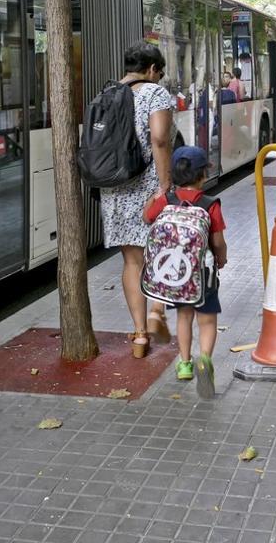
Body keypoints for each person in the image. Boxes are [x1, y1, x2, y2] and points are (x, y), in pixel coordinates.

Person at [99, 42, 175, 357]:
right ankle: (158, 310)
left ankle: (141, 335)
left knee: (132, 260)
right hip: (147, 186)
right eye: (160, 72)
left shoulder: (107, 93)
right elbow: (159, 138)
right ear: (153, 69)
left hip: (114, 187)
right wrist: (165, 184)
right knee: (159, 252)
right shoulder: (156, 94)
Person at [143, 145, 227, 399]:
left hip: (178, 278)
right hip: (203, 276)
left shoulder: (166, 201)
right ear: (202, 176)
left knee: (183, 317)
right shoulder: (209, 204)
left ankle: (184, 364)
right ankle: (205, 360)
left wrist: (158, 194)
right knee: (208, 319)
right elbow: (218, 242)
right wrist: (221, 259)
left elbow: (147, 217)